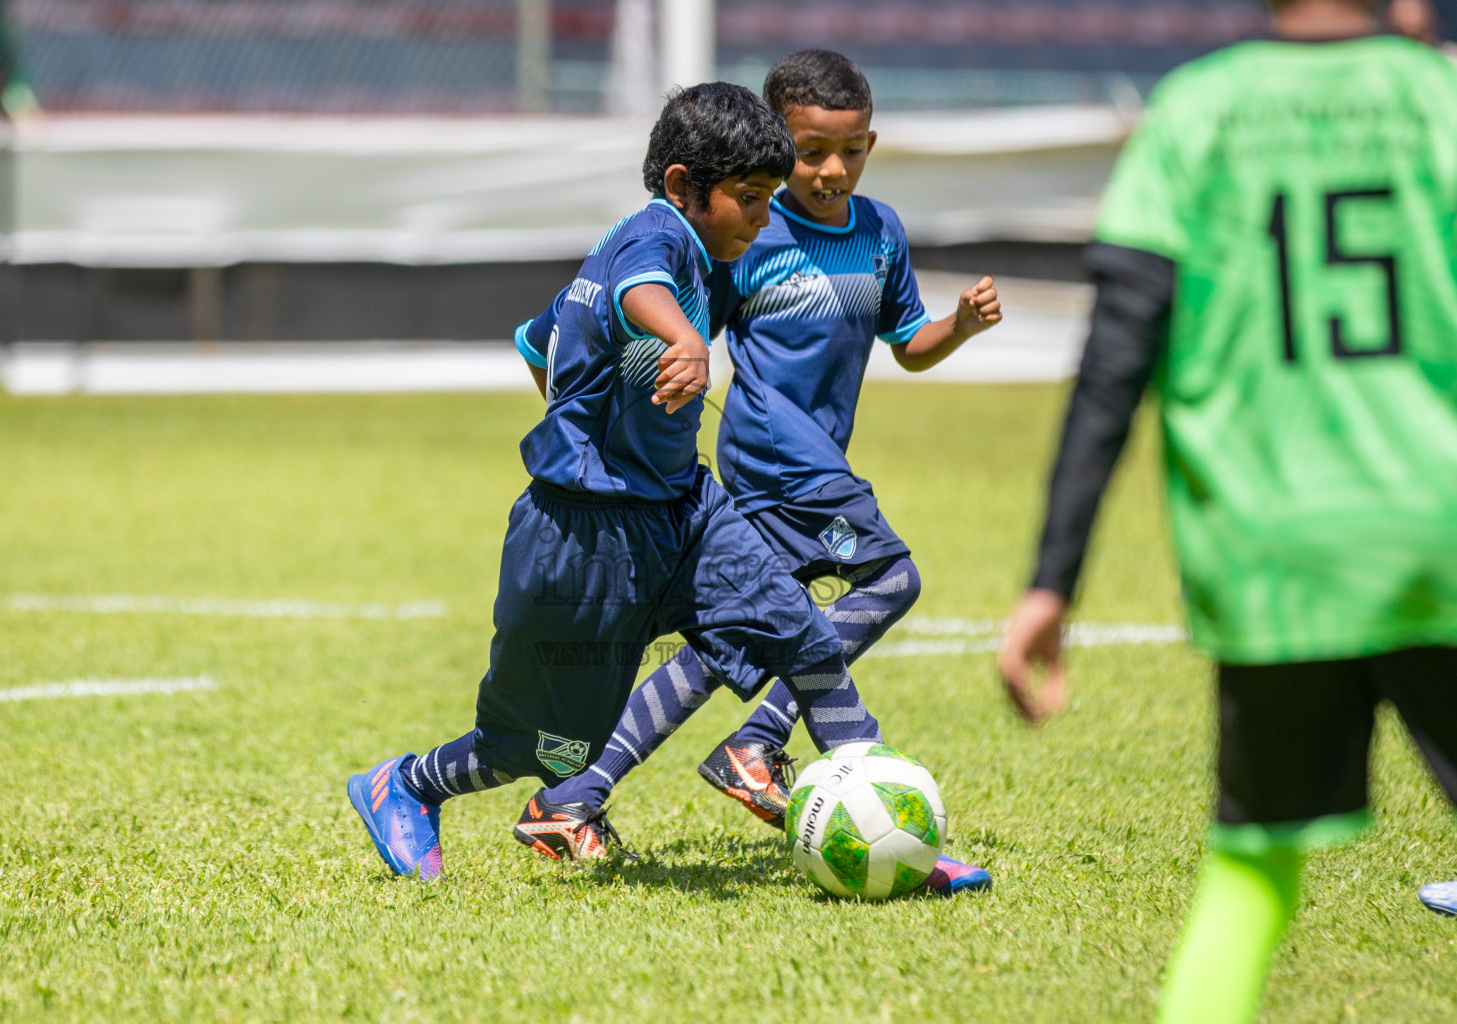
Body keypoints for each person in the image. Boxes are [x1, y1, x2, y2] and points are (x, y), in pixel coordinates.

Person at [995, 0, 1457, 1020]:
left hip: (1272, 553)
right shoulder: (1442, 101)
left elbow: (1114, 364)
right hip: (1439, 535)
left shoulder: (1196, 114)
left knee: (1253, 866)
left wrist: (1051, 579)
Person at [347, 82, 896, 883]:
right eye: (748, 198)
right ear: (682, 186)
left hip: (684, 510)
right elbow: (641, 292)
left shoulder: (707, 258)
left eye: (769, 199)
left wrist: (598, 410)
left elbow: (537, 342)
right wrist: (682, 343)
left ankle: (889, 823)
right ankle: (406, 784)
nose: (762, 217)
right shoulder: (656, 237)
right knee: (546, 746)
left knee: (805, 638)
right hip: (581, 537)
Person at [509, 50, 1000, 896]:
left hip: (813, 462)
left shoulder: (879, 232)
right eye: (810, 152)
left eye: (850, 151)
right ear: (776, 147)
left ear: (872, 144)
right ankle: (763, 740)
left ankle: (572, 796)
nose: (830, 170)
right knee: (893, 576)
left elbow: (908, 344)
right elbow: (650, 305)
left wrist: (954, 326)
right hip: (775, 455)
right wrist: (652, 372)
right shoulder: (744, 234)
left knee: (721, 639)